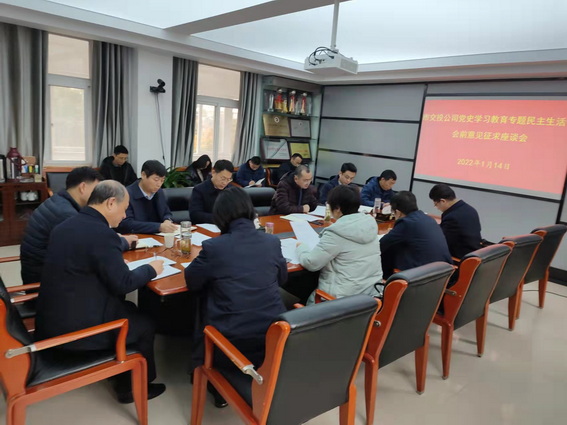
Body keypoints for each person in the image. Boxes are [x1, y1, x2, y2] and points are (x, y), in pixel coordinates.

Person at [35, 180, 166, 403]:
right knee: (144, 324)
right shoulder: (101, 234)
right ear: (111, 203)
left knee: (128, 307)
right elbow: (123, 283)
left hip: (53, 318)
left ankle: (122, 371)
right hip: (74, 333)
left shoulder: (66, 225)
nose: (124, 216)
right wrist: (151, 269)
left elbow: (92, 254)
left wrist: (119, 253)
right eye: (124, 209)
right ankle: (133, 388)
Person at [185, 187, 286, 407]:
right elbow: (282, 279)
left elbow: (192, 282)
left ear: (220, 216)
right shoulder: (272, 242)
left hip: (233, 338)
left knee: (205, 296)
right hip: (273, 334)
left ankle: (210, 372)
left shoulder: (215, 247)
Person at [20, 167, 136, 284]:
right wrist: (124, 242)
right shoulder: (66, 214)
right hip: (45, 280)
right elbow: (95, 248)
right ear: (83, 187)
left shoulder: (60, 200)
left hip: (46, 268)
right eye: (96, 190)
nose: (100, 195)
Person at [297, 185, 382, 303]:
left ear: (337, 208)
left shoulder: (336, 233)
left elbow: (311, 263)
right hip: (370, 296)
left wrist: (301, 248)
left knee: (298, 283)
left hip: (340, 300)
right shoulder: (369, 225)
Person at [380, 191, 452, 278]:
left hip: (422, 276)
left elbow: (381, 244)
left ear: (398, 212)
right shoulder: (428, 218)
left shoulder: (406, 222)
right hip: (443, 272)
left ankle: (385, 282)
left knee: (387, 252)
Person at [117, 160, 176, 234]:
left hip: (158, 236)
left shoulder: (159, 192)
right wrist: (158, 227)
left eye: (162, 180)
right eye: (156, 179)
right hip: (137, 237)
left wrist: (167, 220)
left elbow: (166, 213)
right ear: (143, 175)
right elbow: (126, 224)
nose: (159, 184)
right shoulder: (127, 194)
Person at [429, 183, 482, 259]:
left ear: (443, 201)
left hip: (460, 258)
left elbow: (441, 241)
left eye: (436, 204)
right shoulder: (470, 209)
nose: (437, 208)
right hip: (474, 251)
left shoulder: (452, 217)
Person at [189, 159, 234, 224]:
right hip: (207, 226)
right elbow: (195, 215)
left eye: (228, 179)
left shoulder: (231, 190)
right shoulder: (199, 190)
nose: (225, 183)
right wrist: (219, 218)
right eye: (223, 178)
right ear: (213, 172)